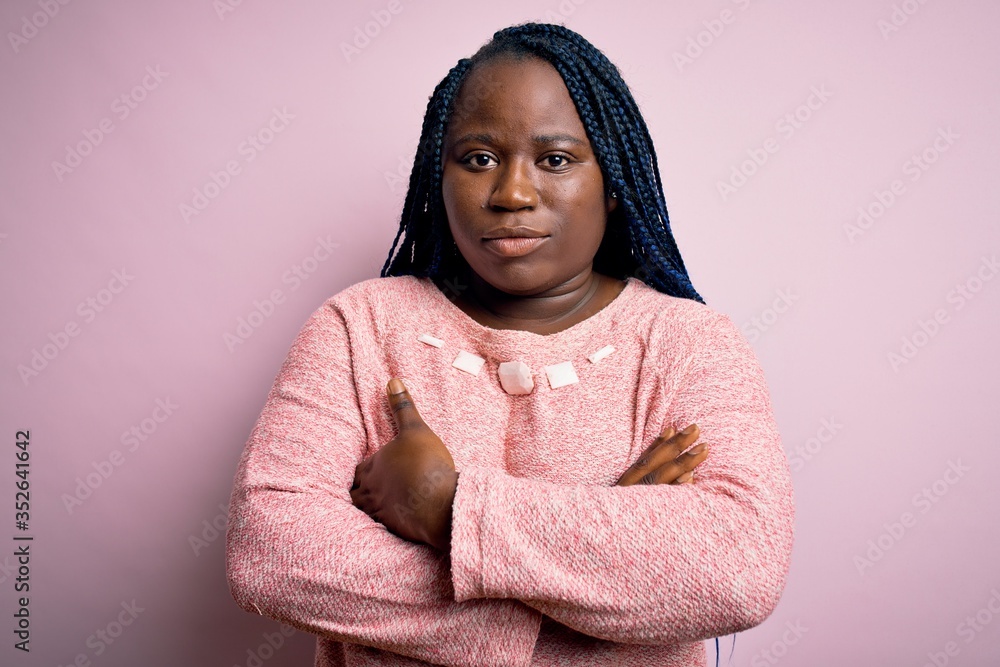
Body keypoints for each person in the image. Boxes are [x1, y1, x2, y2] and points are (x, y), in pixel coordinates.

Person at [225, 22, 795, 667]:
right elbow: (271, 553)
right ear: (436, 179)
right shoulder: (357, 326)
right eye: (478, 159)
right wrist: (597, 566)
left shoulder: (691, 344)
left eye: (554, 159)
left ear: (612, 183)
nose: (511, 194)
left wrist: (445, 507)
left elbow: (738, 569)